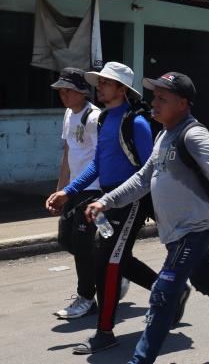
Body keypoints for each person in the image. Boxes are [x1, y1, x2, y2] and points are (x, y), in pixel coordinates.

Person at [84, 72, 209, 363]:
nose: (154, 103)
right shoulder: (163, 135)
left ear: (182, 103)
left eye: (162, 98)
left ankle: (140, 360)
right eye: (154, 97)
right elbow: (142, 179)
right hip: (175, 231)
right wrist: (106, 201)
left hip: (195, 228)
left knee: (163, 294)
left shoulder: (193, 135)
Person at [45, 62, 160, 354]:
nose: (100, 87)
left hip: (130, 201)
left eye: (106, 83)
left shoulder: (136, 123)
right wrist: (68, 191)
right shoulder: (106, 119)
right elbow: (97, 164)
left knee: (108, 261)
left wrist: (121, 198)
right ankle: (168, 292)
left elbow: (149, 171)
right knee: (111, 258)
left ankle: (104, 332)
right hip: (107, 199)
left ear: (122, 89)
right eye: (100, 82)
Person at [48, 68, 107, 319]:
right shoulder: (68, 114)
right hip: (73, 189)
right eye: (61, 92)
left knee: (82, 246)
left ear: (83, 91)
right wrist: (60, 190)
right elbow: (67, 152)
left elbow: (101, 159)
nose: (64, 96)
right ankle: (111, 271)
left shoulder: (94, 117)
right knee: (66, 239)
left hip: (92, 189)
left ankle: (86, 298)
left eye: (69, 91)